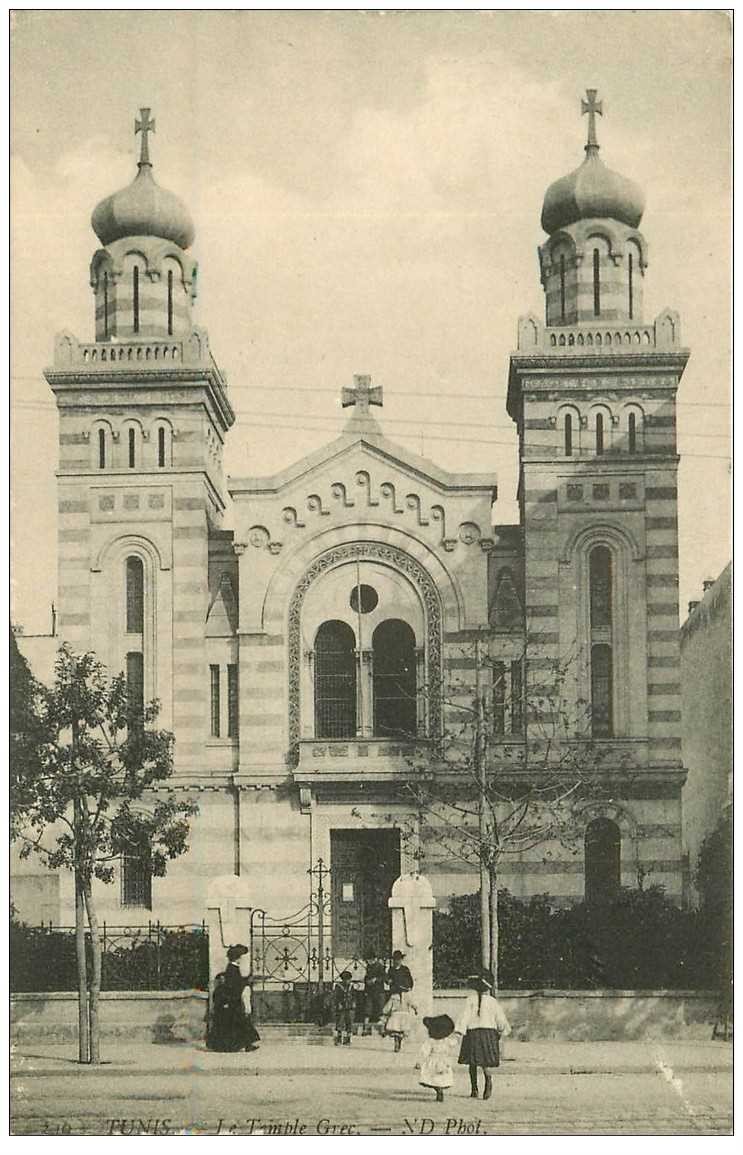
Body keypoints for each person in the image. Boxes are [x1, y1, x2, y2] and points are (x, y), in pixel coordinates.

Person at [455, 969, 511, 1101]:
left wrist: (460, 1031)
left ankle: (474, 1089)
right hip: (488, 1034)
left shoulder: (470, 1000)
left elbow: (464, 1017)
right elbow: (500, 1019)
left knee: (472, 1063)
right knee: (485, 1062)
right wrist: (502, 1030)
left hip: (473, 1034)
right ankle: (488, 1081)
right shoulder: (492, 1001)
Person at [208, 944, 260, 1053]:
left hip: (232, 1000)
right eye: (241, 956)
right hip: (231, 1001)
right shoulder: (233, 968)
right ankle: (244, 1045)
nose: (242, 958)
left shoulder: (232, 968)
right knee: (239, 1023)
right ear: (237, 957)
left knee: (238, 1024)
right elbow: (234, 985)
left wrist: (246, 980)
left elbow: (236, 982)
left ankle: (245, 1045)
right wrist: (247, 981)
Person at [417, 1014, 457, 1103]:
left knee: (432, 1078)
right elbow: (454, 1043)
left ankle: (438, 1089)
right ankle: (440, 1089)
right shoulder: (447, 1040)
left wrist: (419, 1062)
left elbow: (424, 1051)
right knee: (442, 1077)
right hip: (444, 1060)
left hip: (433, 1060)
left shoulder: (431, 1041)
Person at [382, 987, 417, 1052]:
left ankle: (396, 1043)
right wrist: (415, 1010)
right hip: (405, 1014)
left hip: (396, 1014)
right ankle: (399, 1043)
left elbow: (388, 1006)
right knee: (402, 1031)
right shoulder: (407, 996)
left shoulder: (393, 996)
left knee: (396, 1031)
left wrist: (384, 1011)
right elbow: (413, 1004)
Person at [361, 951, 387, 1035]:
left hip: (379, 991)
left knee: (381, 1010)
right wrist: (367, 982)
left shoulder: (380, 966)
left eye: (369, 959)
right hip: (370, 991)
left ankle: (382, 1029)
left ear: (374, 959)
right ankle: (365, 1028)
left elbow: (384, 977)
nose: (368, 961)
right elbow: (366, 977)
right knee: (367, 1010)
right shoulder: (369, 967)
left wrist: (376, 979)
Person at [333, 970, 356, 1046]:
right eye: (346, 979)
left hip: (349, 1007)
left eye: (349, 979)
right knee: (340, 1021)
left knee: (349, 1022)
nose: (348, 981)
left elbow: (354, 996)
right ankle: (339, 1038)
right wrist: (338, 1004)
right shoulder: (338, 986)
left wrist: (353, 1003)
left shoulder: (351, 986)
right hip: (341, 1007)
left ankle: (348, 1038)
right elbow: (336, 997)